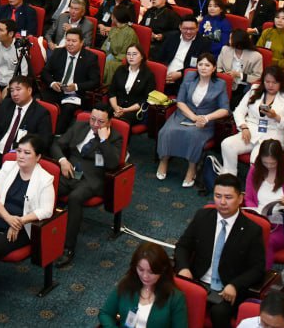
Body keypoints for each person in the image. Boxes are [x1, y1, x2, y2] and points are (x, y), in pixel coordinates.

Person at [174, 173, 266, 328]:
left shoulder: (252, 230)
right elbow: (183, 246)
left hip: (228, 289)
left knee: (219, 313)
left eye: (228, 197)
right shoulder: (203, 216)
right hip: (197, 281)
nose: (222, 202)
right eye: (218, 196)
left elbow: (258, 268)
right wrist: (183, 268)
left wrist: (235, 285)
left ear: (240, 198)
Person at [51, 105, 124, 266]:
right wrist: (62, 161)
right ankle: (42, 233)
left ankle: (68, 248)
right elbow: (56, 145)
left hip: (92, 178)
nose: (95, 125)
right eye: (92, 119)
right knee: (47, 187)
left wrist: (104, 140)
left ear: (109, 122)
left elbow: (113, 164)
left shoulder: (115, 137)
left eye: (100, 122)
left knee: (75, 198)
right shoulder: (79, 126)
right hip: (70, 172)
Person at [157, 53, 230, 187]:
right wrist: (193, 117)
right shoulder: (189, 77)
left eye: (207, 65)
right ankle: (164, 160)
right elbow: (180, 101)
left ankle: (192, 168)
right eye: (200, 64)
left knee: (193, 135)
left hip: (205, 120)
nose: (203, 67)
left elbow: (225, 109)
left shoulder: (220, 84)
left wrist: (206, 118)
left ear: (214, 68)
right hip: (185, 114)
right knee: (167, 131)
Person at [215, 66, 284, 175]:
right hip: (251, 131)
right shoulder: (254, 90)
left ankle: (253, 184)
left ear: (281, 82)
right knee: (227, 144)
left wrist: (276, 117)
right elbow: (238, 111)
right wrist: (243, 127)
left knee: (256, 159)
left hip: (272, 135)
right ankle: (230, 176)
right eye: (267, 82)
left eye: (274, 82)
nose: (270, 85)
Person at [98, 241, 189, 328]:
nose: (145, 276)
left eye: (151, 272)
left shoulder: (176, 298)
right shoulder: (126, 284)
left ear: (162, 270)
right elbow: (105, 313)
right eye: (141, 269)